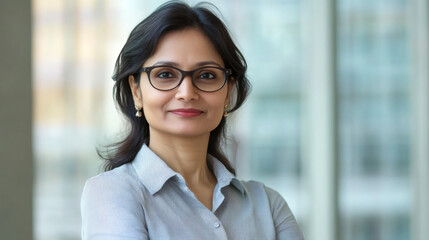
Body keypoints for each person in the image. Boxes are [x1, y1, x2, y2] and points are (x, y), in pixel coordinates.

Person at [81, 1, 304, 239]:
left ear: (228, 91)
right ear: (136, 90)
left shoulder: (269, 206)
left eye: (206, 75)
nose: (187, 92)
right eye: (165, 74)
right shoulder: (113, 192)